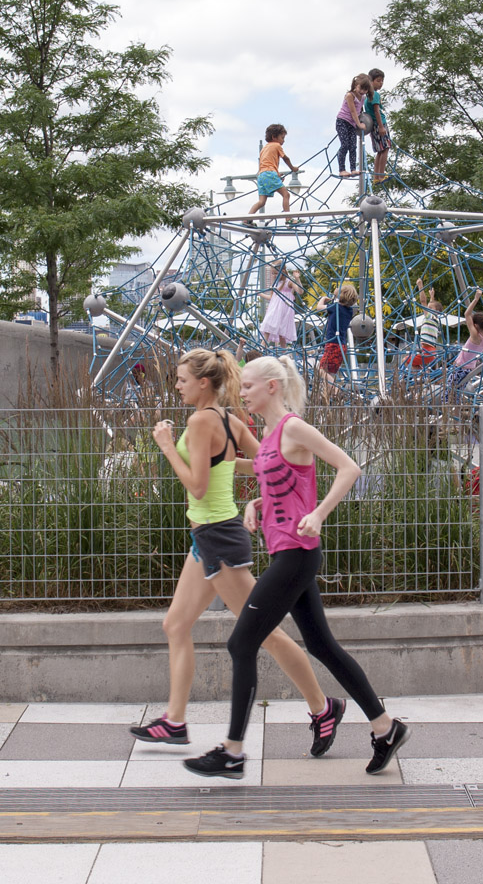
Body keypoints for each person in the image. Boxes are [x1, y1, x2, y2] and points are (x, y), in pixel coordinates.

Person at [183, 355, 411, 779]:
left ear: (272, 386)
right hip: (290, 553)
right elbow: (282, 482)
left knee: (241, 643)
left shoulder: (292, 427)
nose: (242, 391)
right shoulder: (270, 435)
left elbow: (350, 467)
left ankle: (232, 750)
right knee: (322, 645)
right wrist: (255, 503)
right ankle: (385, 727)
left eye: (248, 386)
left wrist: (320, 513)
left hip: (297, 555)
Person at [130, 348, 343, 758]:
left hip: (219, 539)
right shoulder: (229, 420)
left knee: (266, 635)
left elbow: (197, 487)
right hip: (208, 538)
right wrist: (253, 492)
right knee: (175, 625)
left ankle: (323, 707)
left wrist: (167, 447)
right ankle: (174, 721)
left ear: (203, 383)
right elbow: (263, 460)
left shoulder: (199, 421)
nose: (176, 385)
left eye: (181, 380)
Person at [247, 125, 300, 218]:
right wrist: (293, 168)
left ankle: (247, 219)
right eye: (282, 137)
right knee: (286, 195)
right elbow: (286, 158)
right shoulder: (277, 145)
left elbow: (267, 163)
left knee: (261, 202)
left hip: (261, 175)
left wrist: (277, 175)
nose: (284, 140)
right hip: (269, 173)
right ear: (274, 137)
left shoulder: (264, 148)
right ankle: (288, 219)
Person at [315, 283, 357, 386]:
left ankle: (337, 390)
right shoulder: (350, 311)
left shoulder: (335, 307)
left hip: (333, 344)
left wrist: (323, 299)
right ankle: (329, 397)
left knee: (320, 370)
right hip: (341, 346)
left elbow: (318, 307)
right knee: (330, 374)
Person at [335, 74, 373, 178]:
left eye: (365, 89)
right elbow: (352, 111)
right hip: (342, 122)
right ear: (356, 85)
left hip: (351, 124)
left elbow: (359, 110)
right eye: (361, 88)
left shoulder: (363, 97)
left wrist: (362, 119)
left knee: (353, 146)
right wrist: (359, 124)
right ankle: (341, 169)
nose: (362, 91)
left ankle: (353, 169)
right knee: (345, 145)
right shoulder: (349, 95)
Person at [260, 260, 302, 348]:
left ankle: (283, 353)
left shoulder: (288, 282)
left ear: (282, 271)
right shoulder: (275, 283)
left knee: (282, 333)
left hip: (284, 310)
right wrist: (260, 294)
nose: (274, 275)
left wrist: (297, 279)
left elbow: (300, 291)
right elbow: (271, 297)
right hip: (274, 308)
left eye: (275, 273)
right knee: (268, 324)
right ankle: (263, 346)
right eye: (272, 273)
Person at [404, 276, 443, 369]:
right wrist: (432, 296)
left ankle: (417, 378)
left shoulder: (430, 316)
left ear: (436, 311)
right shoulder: (435, 318)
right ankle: (423, 375)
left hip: (427, 350)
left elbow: (423, 301)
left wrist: (420, 286)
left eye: (430, 308)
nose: (427, 309)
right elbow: (431, 305)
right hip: (431, 351)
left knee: (405, 360)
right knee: (415, 364)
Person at [364, 68, 391, 183]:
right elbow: (376, 111)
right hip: (379, 125)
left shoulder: (367, 96)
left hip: (373, 126)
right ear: (371, 81)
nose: (381, 83)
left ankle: (376, 176)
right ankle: (380, 174)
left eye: (382, 81)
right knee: (385, 149)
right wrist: (381, 126)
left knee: (381, 150)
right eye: (378, 81)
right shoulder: (375, 94)